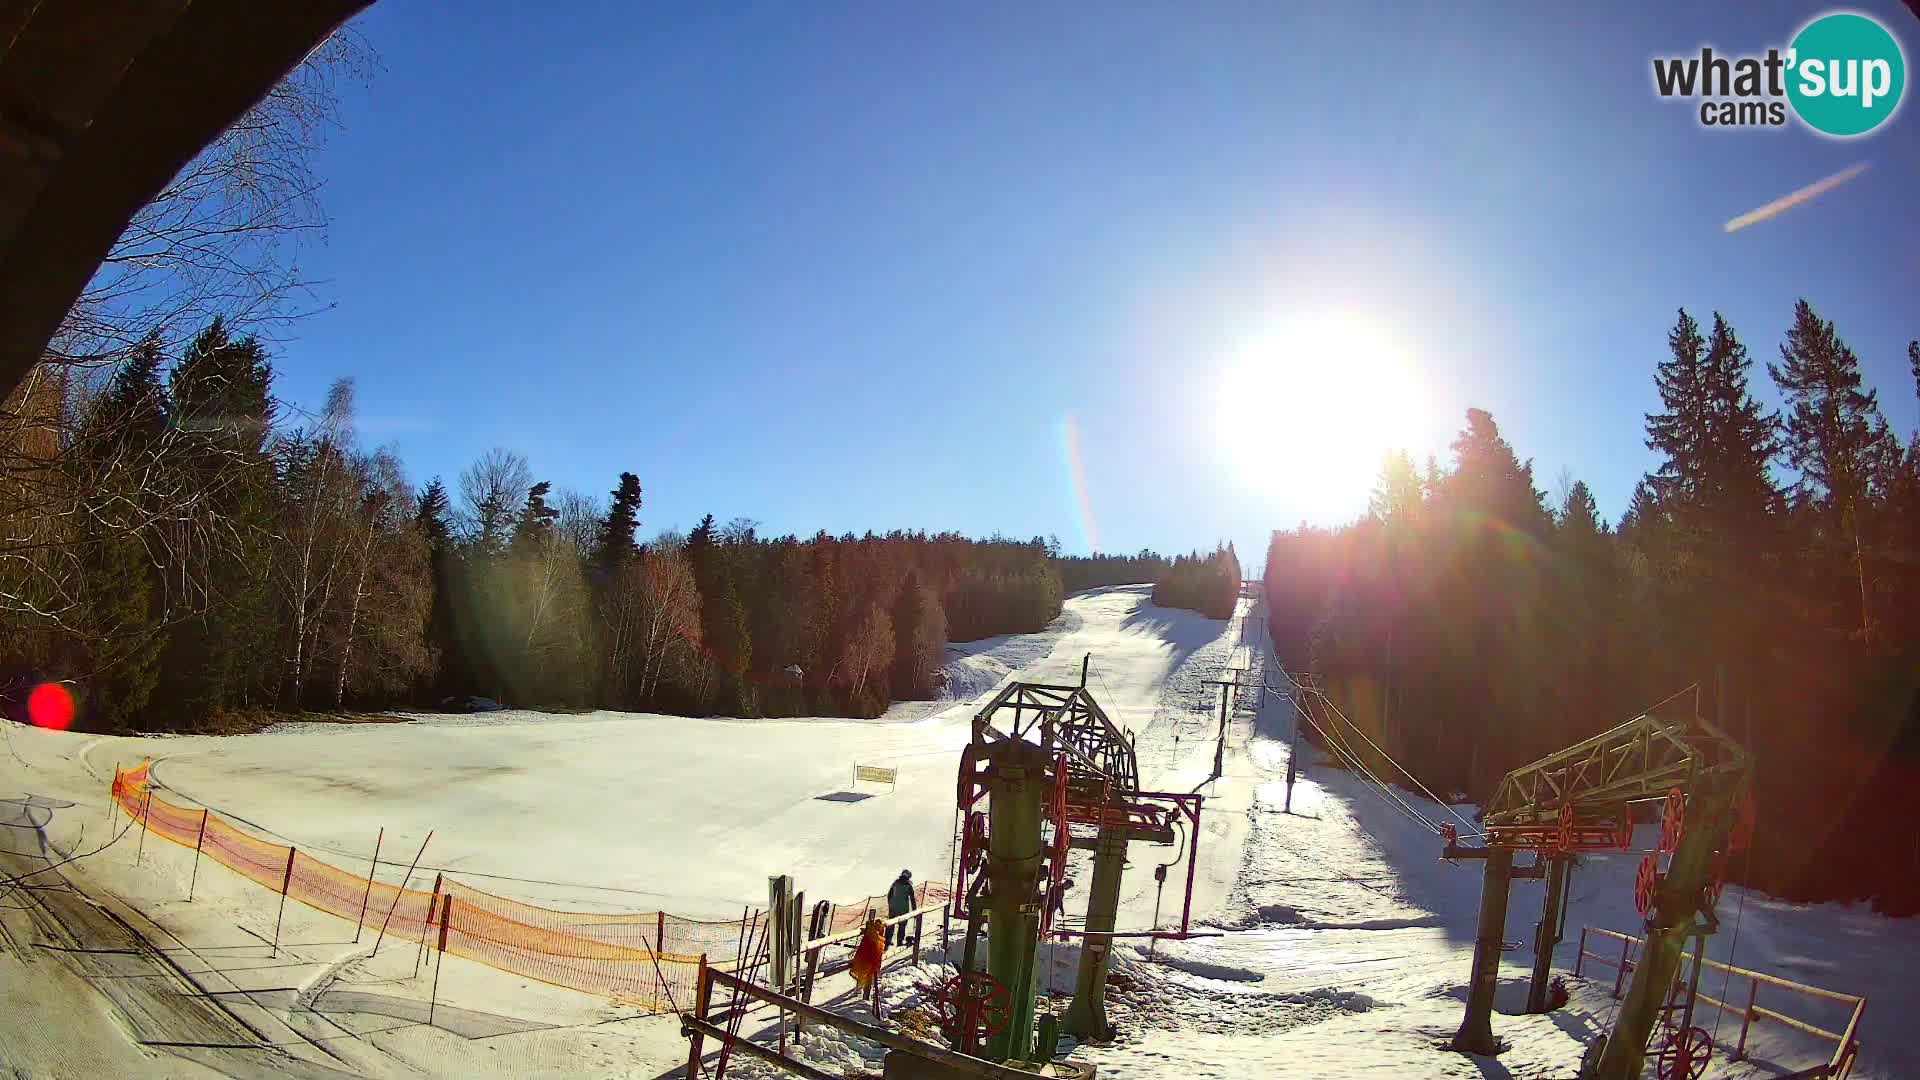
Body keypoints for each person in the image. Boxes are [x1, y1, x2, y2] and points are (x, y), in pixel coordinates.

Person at [885, 868, 915, 946]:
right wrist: (914, 910)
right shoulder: (908, 885)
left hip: (893, 908)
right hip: (903, 909)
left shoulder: (895, 883)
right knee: (902, 926)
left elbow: (889, 895)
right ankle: (899, 942)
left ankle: (887, 941)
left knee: (891, 924)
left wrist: (890, 904)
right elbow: (912, 898)